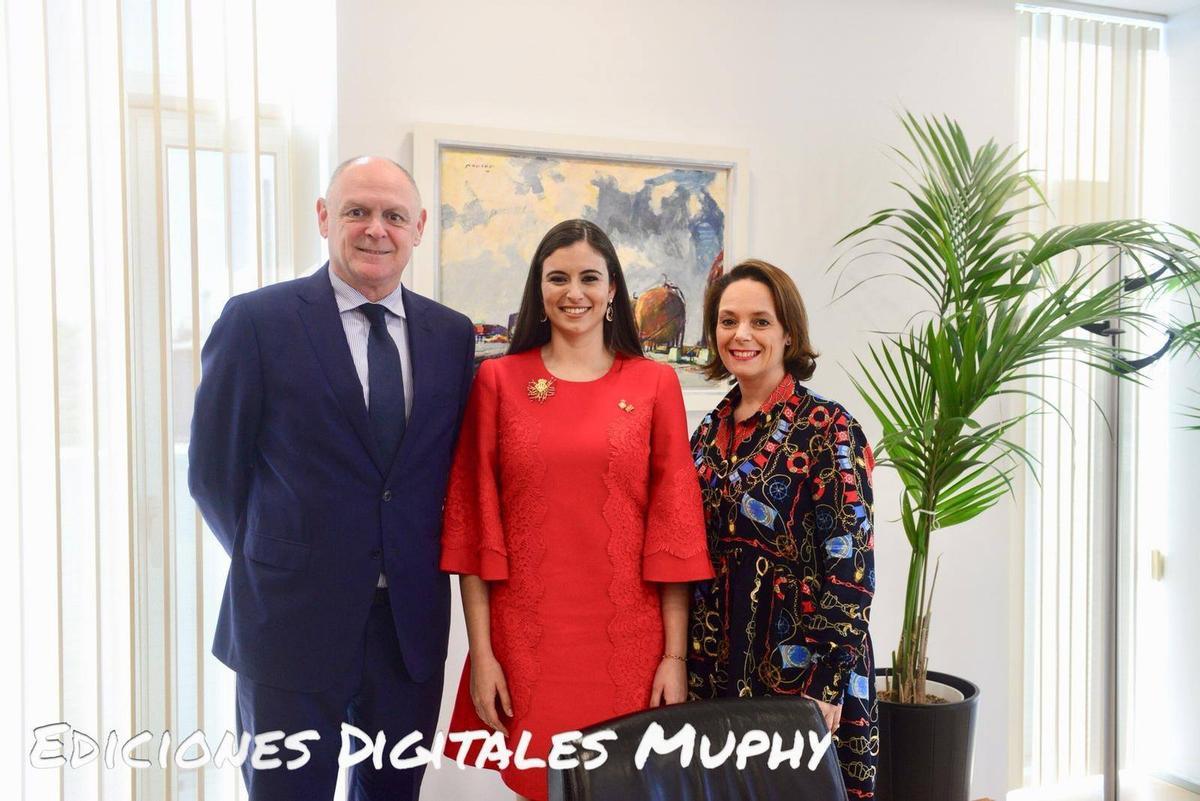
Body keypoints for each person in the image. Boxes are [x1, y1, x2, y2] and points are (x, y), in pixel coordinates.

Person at [188, 156, 475, 801]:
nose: (376, 229)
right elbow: (213, 473)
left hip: (406, 628)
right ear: (324, 217)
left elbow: (441, 474)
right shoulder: (257, 322)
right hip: (288, 621)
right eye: (357, 211)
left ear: (419, 227)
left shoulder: (451, 336)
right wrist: (280, 559)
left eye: (393, 216)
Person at [439, 219, 713, 800]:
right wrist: (481, 655)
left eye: (590, 277)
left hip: (629, 642)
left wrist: (674, 656)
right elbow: (473, 526)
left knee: (624, 788)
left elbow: (675, 529)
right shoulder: (497, 382)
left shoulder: (654, 384)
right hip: (526, 640)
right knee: (539, 785)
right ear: (538, 288)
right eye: (558, 277)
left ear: (613, 288)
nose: (574, 292)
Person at [686, 259, 877, 799]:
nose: (740, 334)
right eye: (727, 321)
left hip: (801, 672)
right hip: (717, 671)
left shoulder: (829, 427)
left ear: (789, 332)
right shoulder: (705, 434)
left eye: (760, 321)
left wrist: (825, 684)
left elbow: (852, 570)